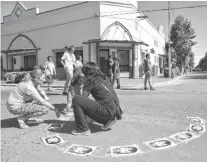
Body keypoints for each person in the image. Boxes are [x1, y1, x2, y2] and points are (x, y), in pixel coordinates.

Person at [71, 62, 122, 136]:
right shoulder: (104, 77)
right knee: (92, 104)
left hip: (107, 110)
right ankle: (107, 120)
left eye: (83, 72)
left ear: (87, 72)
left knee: (76, 99)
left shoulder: (90, 81)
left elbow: (83, 98)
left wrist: (80, 86)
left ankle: (83, 129)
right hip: (115, 110)